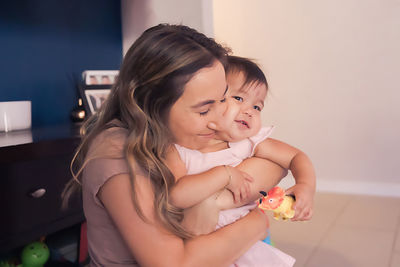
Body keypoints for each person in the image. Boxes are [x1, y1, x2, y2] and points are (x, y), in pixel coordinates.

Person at [63, 24, 288, 267]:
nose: (217, 120)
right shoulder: (117, 157)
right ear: (152, 102)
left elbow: (275, 165)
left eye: (223, 99)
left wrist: (218, 199)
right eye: (204, 110)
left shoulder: (169, 136)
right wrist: (256, 224)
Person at [169, 56, 316, 266]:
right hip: (203, 245)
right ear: (210, 99)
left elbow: (295, 156)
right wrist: (224, 175)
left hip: (246, 241)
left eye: (257, 107)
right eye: (239, 98)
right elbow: (177, 195)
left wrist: (306, 185)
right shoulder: (181, 149)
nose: (249, 110)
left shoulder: (249, 143)